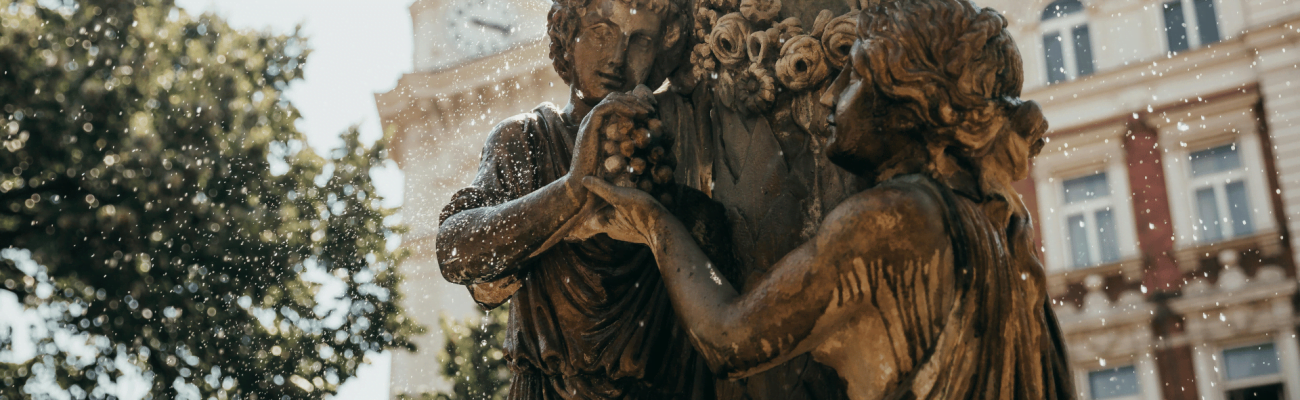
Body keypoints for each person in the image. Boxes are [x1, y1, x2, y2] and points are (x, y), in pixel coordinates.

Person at [573, 0, 1075, 398]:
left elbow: (728, 341)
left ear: (907, 101)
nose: (831, 92)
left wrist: (656, 226)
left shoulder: (892, 218)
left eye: (853, 74)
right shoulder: (1001, 222)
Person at [433, 0, 716, 397]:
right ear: (566, 37)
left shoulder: (678, 140)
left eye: (640, 41)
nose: (617, 57)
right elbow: (455, 252)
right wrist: (571, 191)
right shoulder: (526, 139)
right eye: (602, 33)